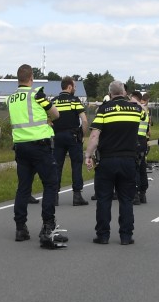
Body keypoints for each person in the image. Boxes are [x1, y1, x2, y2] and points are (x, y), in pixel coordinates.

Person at [84, 80, 144, 244]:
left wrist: (88, 155)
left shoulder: (104, 109)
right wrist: (133, 100)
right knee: (126, 199)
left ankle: (103, 235)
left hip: (107, 161)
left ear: (110, 94)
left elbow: (95, 136)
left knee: (104, 198)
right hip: (128, 159)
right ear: (124, 92)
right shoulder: (135, 109)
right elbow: (144, 110)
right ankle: (126, 236)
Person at [7, 64, 59, 244]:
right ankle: (48, 227)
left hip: (20, 146)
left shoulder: (11, 98)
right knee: (51, 184)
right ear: (31, 78)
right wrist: (47, 121)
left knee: (23, 188)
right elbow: (56, 114)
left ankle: (20, 228)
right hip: (40, 146)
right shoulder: (37, 94)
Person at [51, 77, 91, 206]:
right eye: (74, 86)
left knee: (57, 165)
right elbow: (84, 120)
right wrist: (82, 135)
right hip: (73, 136)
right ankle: (77, 196)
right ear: (69, 87)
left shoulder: (54, 101)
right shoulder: (74, 101)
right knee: (76, 165)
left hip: (57, 136)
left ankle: (54, 196)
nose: (75, 89)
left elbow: (49, 120)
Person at [131, 89, 151, 203]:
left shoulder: (137, 110)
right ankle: (143, 192)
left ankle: (136, 193)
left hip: (135, 139)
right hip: (142, 139)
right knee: (142, 165)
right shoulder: (145, 111)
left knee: (135, 167)